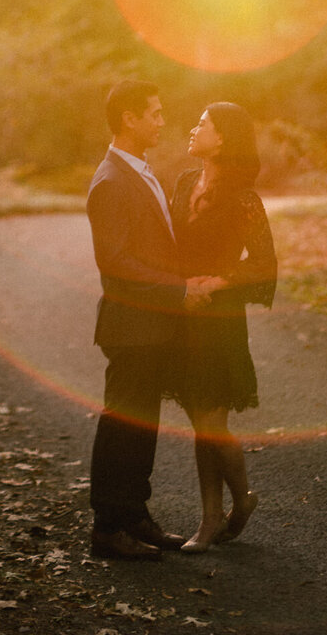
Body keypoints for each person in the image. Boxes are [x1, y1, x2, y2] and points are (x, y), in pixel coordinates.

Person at [86, 80, 213, 561]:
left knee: (143, 426)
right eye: (154, 114)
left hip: (151, 325)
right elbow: (114, 264)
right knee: (121, 425)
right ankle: (107, 528)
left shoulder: (139, 170)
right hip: (129, 326)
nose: (162, 121)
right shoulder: (112, 181)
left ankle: (135, 516)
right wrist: (178, 290)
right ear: (128, 119)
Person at [171, 102, 277, 553]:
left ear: (224, 139)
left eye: (203, 125)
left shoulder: (243, 198)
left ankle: (240, 499)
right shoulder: (182, 183)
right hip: (184, 316)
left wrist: (217, 281)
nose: (193, 130)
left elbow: (264, 265)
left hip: (220, 320)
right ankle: (215, 514)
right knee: (200, 419)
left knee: (212, 421)